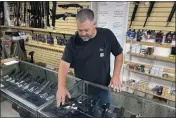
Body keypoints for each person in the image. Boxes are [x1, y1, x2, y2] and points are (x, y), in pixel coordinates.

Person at [56, 8, 123, 107]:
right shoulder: (73, 41)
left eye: (86, 30)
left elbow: (119, 54)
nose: (83, 34)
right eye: (80, 30)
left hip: (103, 88)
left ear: (94, 24)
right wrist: (61, 86)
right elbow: (64, 65)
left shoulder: (106, 35)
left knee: (104, 111)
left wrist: (116, 75)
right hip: (81, 88)